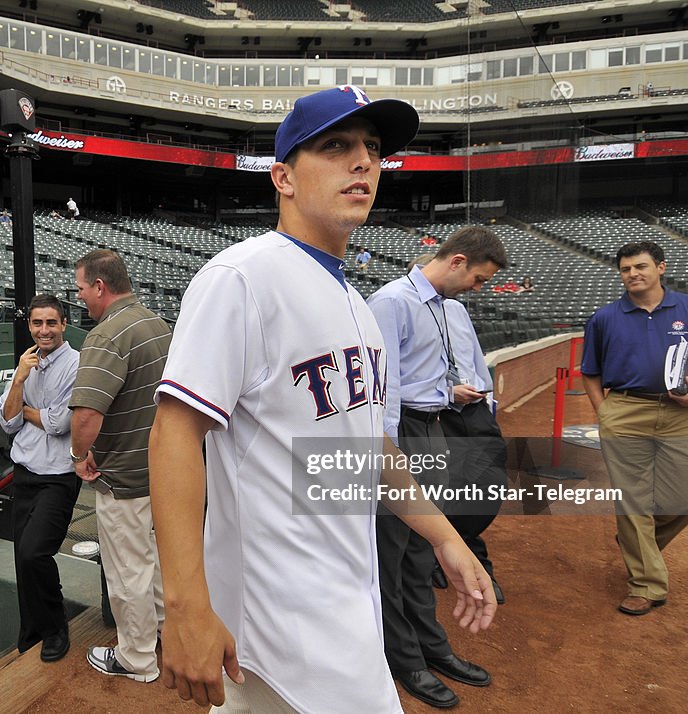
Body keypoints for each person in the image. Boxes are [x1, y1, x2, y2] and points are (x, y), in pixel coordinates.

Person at [149, 85, 496, 713]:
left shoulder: (359, 309)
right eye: (336, 146)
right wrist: (185, 606)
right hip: (277, 619)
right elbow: (175, 432)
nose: (362, 161)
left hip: (341, 602)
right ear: (282, 176)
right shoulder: (242, 277)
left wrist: (444, 536)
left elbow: (370, 448)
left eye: (371, 148)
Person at [368, 225, 508, 708]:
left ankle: (432, 646)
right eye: (479, 278)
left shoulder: (449, 308)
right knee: (392, 554)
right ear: (457, 261)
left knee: (424, 551)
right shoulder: (391, 301)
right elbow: (383, 387)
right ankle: (402, 659)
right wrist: (388, 453)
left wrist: (450, 396)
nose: (478, 287)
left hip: (435, 427)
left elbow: (429, 377)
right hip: (400, 433)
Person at [581, 240, 688, 616]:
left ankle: (636, 540)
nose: (633, 274)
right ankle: (647, 583)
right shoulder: (605, 317)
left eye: (641, 267)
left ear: (661, 268)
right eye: (625, 269)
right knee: (632, 499)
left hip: (683, 412)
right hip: (625, 409)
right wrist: (605, 413)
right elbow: (590, 372)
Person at [69, 249, 171, 683]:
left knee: (128, 571)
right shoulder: (156, 323)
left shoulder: (107, 333)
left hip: (124, 475)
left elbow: (86, 416)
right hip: (163, 471)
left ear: (99, 286)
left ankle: (137, 659)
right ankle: (170, 636)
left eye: (81, 289)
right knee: (162, 566)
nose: (80, 299)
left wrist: (78, 456)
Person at [0, 294, 81, 662]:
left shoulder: (76, 364)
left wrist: (32, 414)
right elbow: (6, 421)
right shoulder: (26, 364)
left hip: (59, 475)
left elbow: (60, 423)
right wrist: (18, 379)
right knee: (22, 556)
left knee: (35, 552)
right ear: (29, 326)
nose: (43, 330)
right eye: (37, 323)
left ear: (63, 324)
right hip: (24, 472)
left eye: (51, 323)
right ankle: (32, 629)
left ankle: (54, 625)